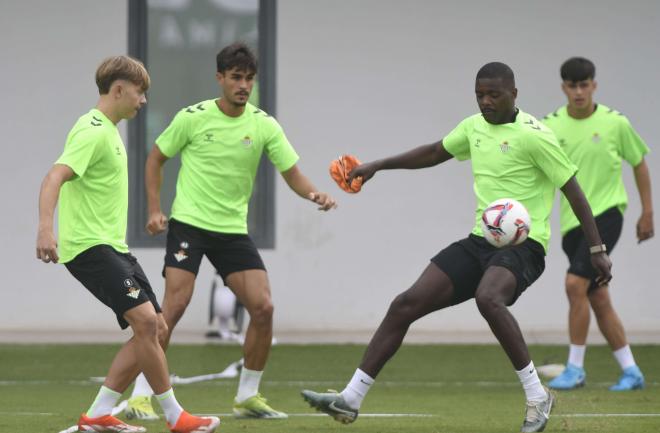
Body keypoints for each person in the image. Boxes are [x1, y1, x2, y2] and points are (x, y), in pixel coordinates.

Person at [301, 62, 612, 433]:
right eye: (480, 94)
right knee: (405, 304)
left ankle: (537, 396)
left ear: (514, 94)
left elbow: (573, 190)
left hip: (525, 247)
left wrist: (597, 249)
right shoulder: (473, 127)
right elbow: (435, 151)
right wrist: (378, 166)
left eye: (493, 94)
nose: (485, 101)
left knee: (488, 298)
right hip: (481, 242)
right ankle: (350, 399)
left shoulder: (536, 136)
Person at [124, 42, 337, 420]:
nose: (243, 85)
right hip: (189, 223)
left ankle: (247, 396)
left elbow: (292, 173)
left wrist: (314, 193)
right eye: (236, 77)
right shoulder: (193, 117)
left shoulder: (263, 125)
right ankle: (141, 394)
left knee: (263, 307)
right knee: (173, 307)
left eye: (249, 79)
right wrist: (155, 209)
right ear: (220, 78)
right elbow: (156, 158)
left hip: (232, 232)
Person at [36, 56, 219, 433]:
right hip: (89, 248)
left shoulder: (109, 131)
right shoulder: (91, 130)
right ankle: (175, 416)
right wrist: (45, 228)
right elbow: (55, 176)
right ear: (119, 89)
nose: (144, 101)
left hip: (113, 248)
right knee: (147, 321)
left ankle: (99, 413)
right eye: (140, 92)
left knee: (159, 327)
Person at [542, 57, 653, 391]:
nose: (579, 91)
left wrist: (647, 211)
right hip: (571, 226)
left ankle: (574, 368)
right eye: (572, 85)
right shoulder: (550, 126)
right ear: (563, 88)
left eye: (584, 84)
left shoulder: (615, 123)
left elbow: (639, 163)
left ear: (594, 85)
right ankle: (631, 371)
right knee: (598, 297)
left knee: (575, 284)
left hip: (606, 215)